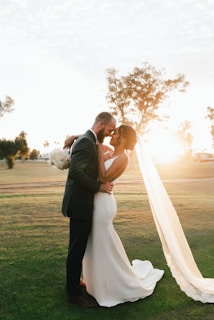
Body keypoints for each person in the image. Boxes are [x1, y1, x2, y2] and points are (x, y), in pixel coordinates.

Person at [82, 124, 164, 307]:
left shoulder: (123, 158)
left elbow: (103, 178)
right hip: (97, 201)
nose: (112, 134)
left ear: (123, 139)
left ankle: (114, 285)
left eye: (116, 132)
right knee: (96, 244)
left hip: (103, 205)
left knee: (102, 243)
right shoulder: (112, 154)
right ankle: (97, 283)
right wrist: (102, 154)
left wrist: (98, 152)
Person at [61, 112, 116, 308]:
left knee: (78, 246)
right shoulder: (86, 141)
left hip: (81, 202)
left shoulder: (87, 139)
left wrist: (75, 136)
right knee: (77, 248)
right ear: (101, 124)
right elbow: (76, 173)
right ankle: (74, 294)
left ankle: (74, 282)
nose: (109, 134)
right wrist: (99, 187)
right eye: (109, 130)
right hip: (79, 203)